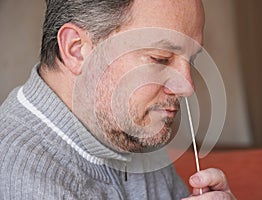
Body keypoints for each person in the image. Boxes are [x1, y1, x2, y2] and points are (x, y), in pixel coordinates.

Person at [0, 0, 236, 199]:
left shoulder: (132, 128)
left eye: (191, 60)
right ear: (77, 49)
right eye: (160, 58)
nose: (187, 87)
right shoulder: (19, 175)